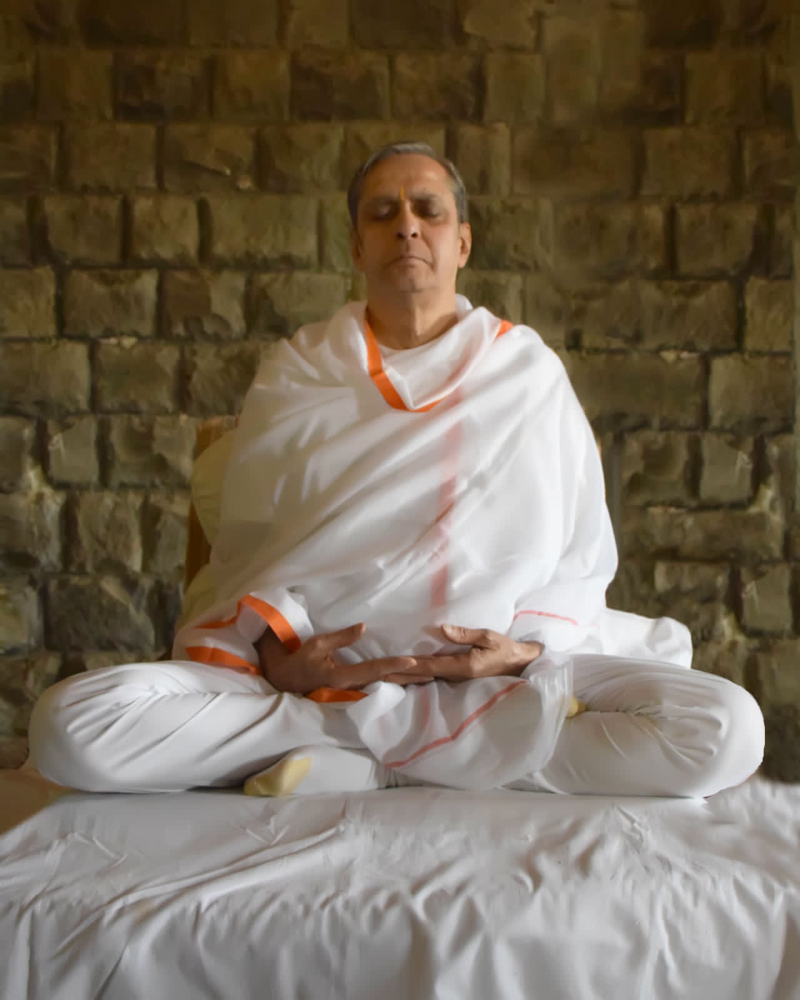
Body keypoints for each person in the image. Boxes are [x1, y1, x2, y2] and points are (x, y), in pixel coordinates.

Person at [29, 142, 765, 799]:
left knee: (727, 727)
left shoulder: (527, 373)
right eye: (383, 213)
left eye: (427, 210)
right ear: (357, 245)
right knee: (70, 724)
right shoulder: (299, 372)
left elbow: (578, 554)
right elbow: (252, 547)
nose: (406, 226)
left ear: (462, 241)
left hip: (494, 678)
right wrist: (282, 663)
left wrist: (523, 654)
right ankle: (433, 752)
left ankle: (370, 761)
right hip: (326, 686)